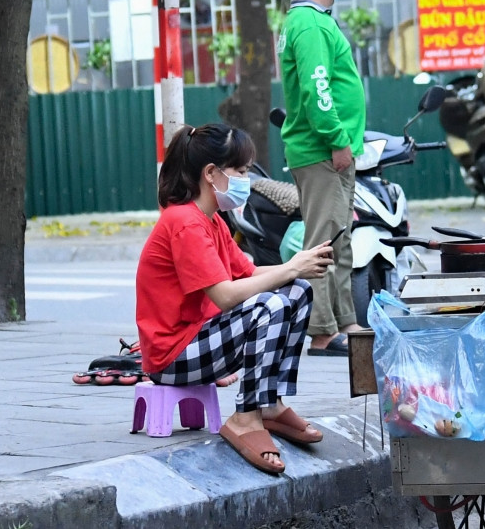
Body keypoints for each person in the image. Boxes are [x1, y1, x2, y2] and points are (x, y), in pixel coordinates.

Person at [135, 123, 335, 475]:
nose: (246, 179)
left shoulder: (212, 221)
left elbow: (250, 273)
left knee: (297, 292)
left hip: (198, 340)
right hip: (171, 358)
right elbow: (227, 296)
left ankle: (269, 403)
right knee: (269, 305)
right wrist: (289, 269)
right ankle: (245, 417)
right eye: (240, 171)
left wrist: (296, 267)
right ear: (211, 173)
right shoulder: (185, 223)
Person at [277, 0, 366, 356]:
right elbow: (318, 88)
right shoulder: (310, 24)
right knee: (322, 244)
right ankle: (321, 331)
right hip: (322, 150)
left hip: (328, 149)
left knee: (339, 240)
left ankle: (345, 320)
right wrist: (337, 140)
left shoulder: (311, 20)